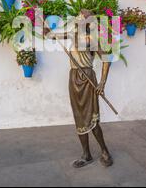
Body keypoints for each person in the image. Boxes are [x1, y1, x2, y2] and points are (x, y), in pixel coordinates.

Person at [45, 9, 113, 168]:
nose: (77, 21)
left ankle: (105, 151)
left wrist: (102, 83)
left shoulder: (91, 40)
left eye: (81, 18)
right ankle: (86, 154)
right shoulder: (71, 34)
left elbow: (107, 59)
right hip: (74, 78)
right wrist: (45, 28)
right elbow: (50, 36)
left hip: (87, 78)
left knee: (92, 119)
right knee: (79, 117)